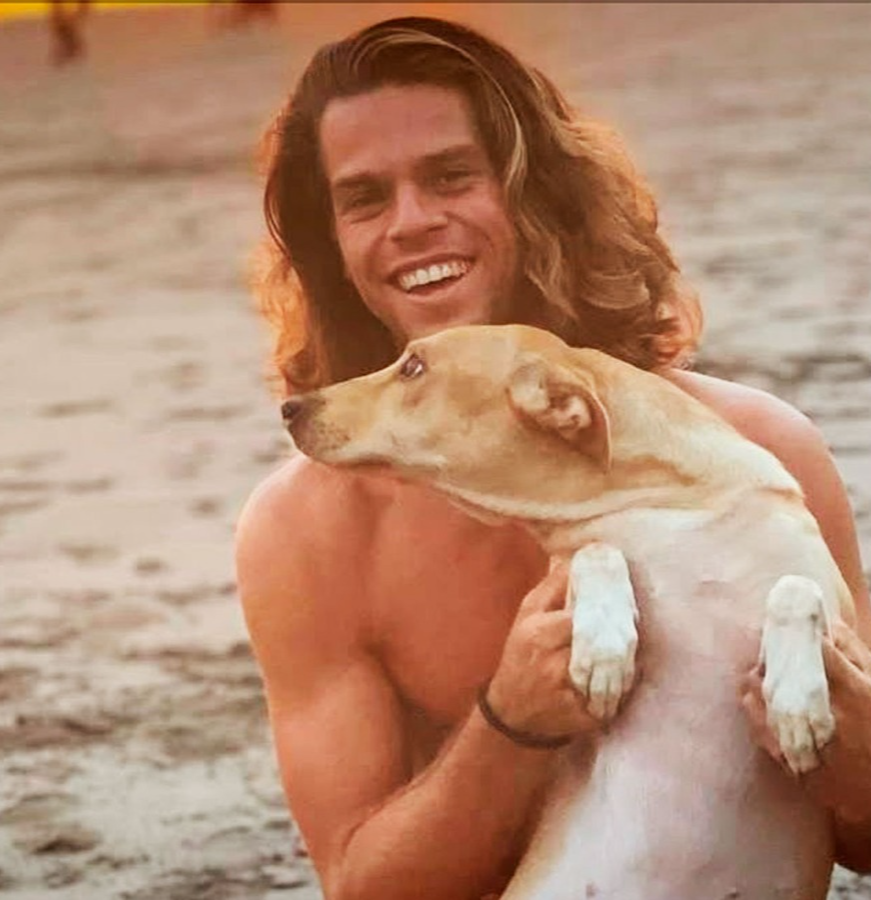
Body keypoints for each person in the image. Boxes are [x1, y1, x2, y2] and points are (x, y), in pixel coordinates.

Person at [234, 16, 871, 899]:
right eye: (365, 199)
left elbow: (864, 842)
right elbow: (362, 887)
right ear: (332, 246)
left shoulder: (761, 456)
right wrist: (511, 727)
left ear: (534, 189)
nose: (413, 222)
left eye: (451, 176)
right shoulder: (308, 531)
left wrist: (853, 746)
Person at [49, 0, 88, 66]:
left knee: (61, 20)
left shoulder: (60, 28)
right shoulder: (71, 44)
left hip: (65, 31)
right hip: (66, 32)